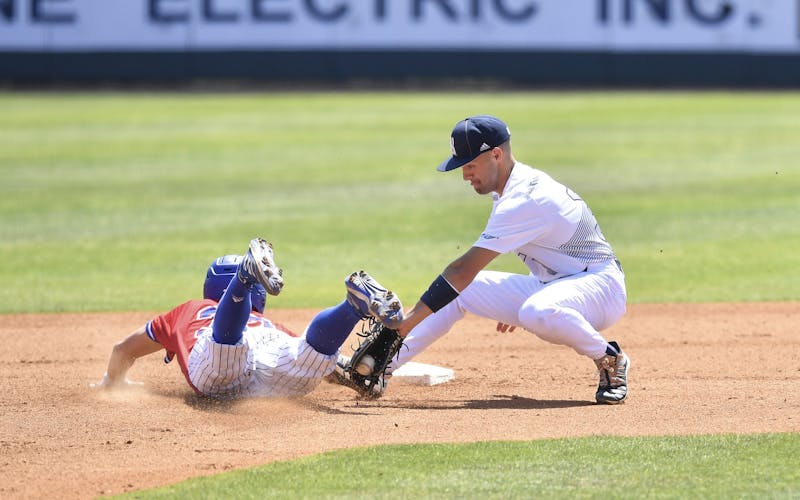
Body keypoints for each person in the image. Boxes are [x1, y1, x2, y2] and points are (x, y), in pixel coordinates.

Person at [336, 115, 629, 404]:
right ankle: (381, 370)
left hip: (601, 289)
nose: (465, 175)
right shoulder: (511, 190)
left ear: (496, 155)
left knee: (531, 309)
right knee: (468, 292)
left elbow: (463, 268)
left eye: (470, 165)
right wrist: (516, 300)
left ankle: (609, 359)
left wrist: (406, 324)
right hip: (564, 283)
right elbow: (550, 252)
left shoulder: (525, 199)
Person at [91, 237, 403, 399]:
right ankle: (352, 306)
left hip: (217, 359)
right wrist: (358, 385)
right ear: (261, 296)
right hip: (270, 349)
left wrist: (112, 383)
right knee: (309, 358)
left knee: (223, 350)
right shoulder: (270, 325)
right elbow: (326, 365)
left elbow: (124, 349)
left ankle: (242, 278)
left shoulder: (188, 311)